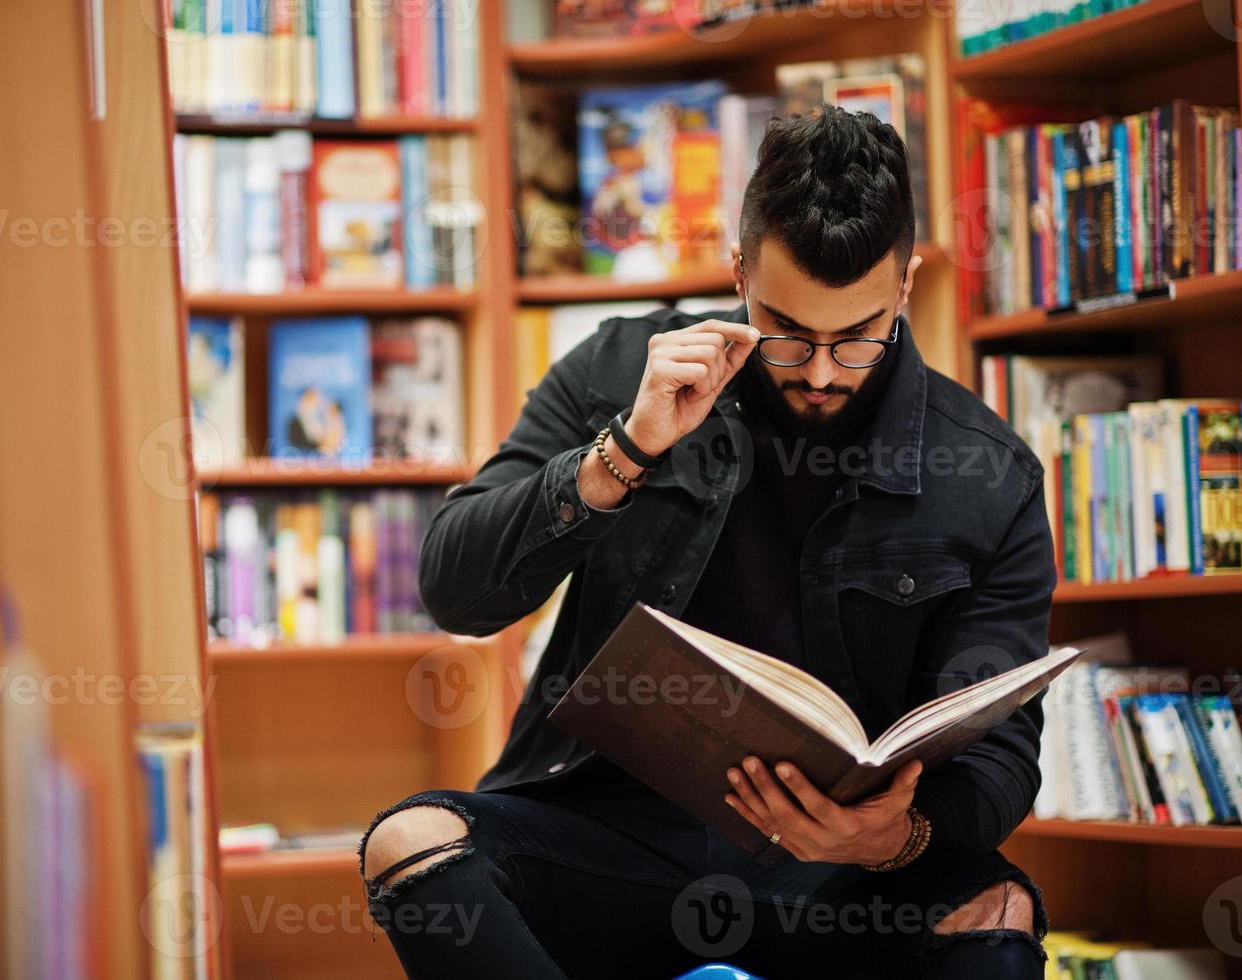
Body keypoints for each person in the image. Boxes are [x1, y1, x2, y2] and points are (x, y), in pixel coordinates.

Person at [360, 106, 1055, 979]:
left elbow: (1002, 751)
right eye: (788, 332)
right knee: (411, 842)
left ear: (907, 284)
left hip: (842, 874)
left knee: (998, 911)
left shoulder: (989, 473)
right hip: (612, 835)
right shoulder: (618, 371)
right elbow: (456, 594)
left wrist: (897, 833)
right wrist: (623, 453)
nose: (820, 372)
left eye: (857, 337)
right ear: (737, 272)